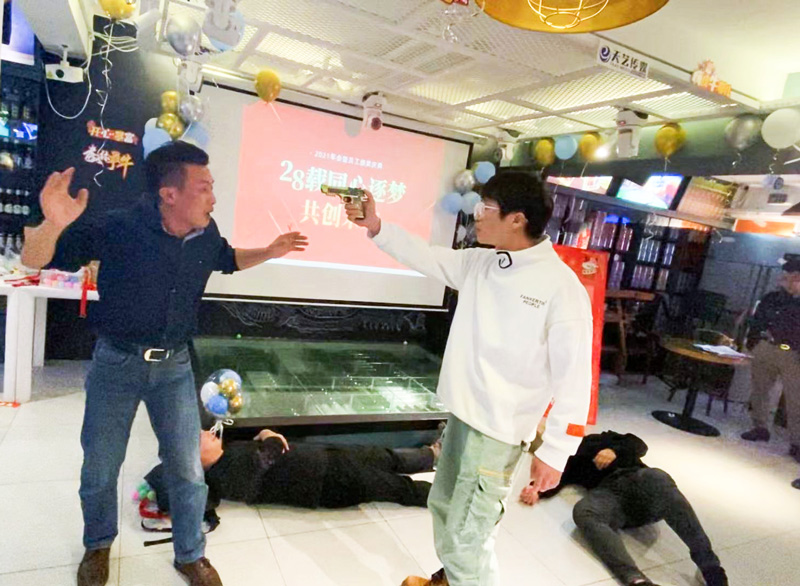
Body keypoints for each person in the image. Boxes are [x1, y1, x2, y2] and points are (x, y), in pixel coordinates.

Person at [21, 142, 308, 586]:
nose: (213, 197)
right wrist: (53, 224)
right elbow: (34, 259)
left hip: (174, 366)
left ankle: (190, 554)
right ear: (169, 194)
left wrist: (269, 251)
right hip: (117, 363)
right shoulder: (120, 226)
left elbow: (227, 259)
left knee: (188, 470)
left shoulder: (205, 234)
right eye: (204, 187)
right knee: (100, 468)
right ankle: (98, 545)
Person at [345, 171, 593, 586]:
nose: (476, 215)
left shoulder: (561, 288)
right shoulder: (482, 262)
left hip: (498, 434)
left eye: (485, 208)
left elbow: (575, 378)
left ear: (517, 219)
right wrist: (376, 225)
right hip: (461, 418)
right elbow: (425, 256)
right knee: (444, 507)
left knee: (467, 539)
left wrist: (556, 451)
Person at [520, 431, 727, 586]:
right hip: (610, 495)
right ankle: (635, 580)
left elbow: (638, 444)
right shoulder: (569, 458)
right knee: (583, 511)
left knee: (658, 477)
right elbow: (557, 480)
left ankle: (710, 566)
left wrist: (614, 450)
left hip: (640, 481)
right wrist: (537, 490)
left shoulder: (601, 438)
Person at [144, 429, 439, 511]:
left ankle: (431, 456)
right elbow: (270, 453)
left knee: (382, 457)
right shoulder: (226, 474)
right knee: (394, 486)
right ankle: (450, 500)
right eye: (198, 439)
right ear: (197, 464)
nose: (205, 433)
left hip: (325, 460)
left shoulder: (225, 456)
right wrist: (267, 433)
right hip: (328, 482)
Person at [740, 255, 800, 463]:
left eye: (787, 277)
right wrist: (753, 343)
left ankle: (797, 443)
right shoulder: (772, 298)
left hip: (793, 354)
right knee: (760, 390)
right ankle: (760, 427)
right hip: (766, 347)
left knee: (796, 400)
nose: (782, 281)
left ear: (797, 277)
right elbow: (757, 320)